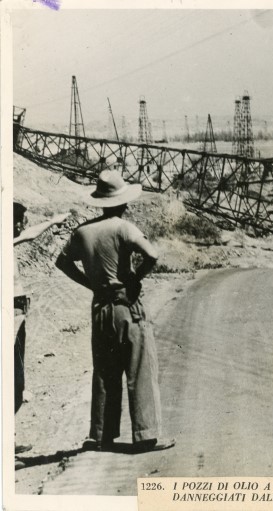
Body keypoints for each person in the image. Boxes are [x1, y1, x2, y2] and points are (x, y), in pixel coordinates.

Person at [55, 171, 175, 453]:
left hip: (100, 307)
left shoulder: (82, 232)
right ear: (122, 202)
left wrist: (90, 284)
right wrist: (134, 279)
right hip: (126, 305)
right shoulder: (124, 228)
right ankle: (145, 434)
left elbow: (62, 262)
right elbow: (152, 255)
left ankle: (101, 435)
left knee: (104, 372)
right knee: (139, 368)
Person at [14, 202, 70, 470]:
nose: (22, 225)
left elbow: (27, 233)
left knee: (16, 380)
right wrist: (53, 221)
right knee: (12, 381)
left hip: (17, 313)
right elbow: (29, 234)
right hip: (10, 315)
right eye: (18, 219)